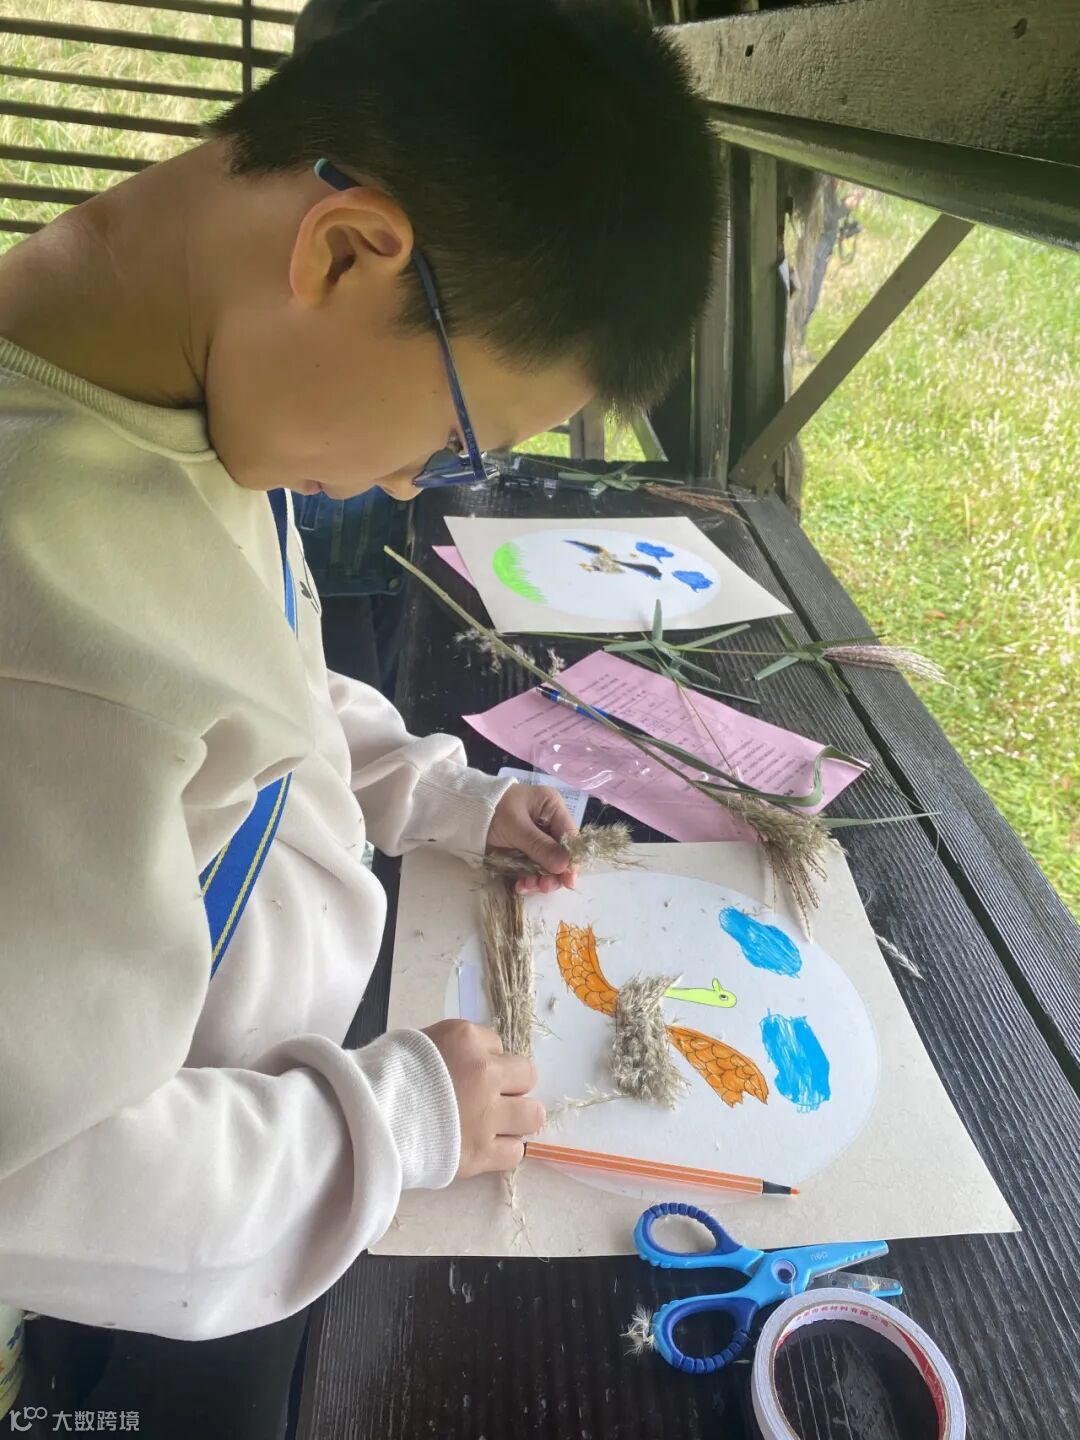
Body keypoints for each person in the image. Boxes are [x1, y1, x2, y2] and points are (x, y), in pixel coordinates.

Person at [0, 0, 717, 1433]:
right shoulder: (46, 616)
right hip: (183, 1236)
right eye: (455, 438)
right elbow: (42, 1170)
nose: (409, 485)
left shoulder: (177, 383)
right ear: (343, 251)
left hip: (263, 1125)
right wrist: (391, 1124)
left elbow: (262, 664)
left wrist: (428, 788)